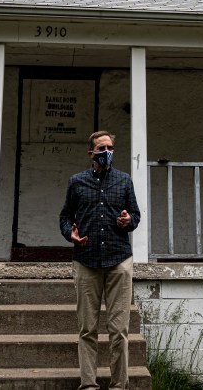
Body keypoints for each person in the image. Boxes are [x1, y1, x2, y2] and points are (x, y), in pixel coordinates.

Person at [59, 130, 141, 390]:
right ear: (91, 152)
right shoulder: (77, 182)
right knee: (87, 329)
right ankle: (89, 385)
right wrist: (69, 234)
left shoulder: (124, 181)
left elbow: (135, 216)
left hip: (119, 261)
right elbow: (64, 217)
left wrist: (127, 221)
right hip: (86, 261)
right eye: (102, 148)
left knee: (119, 330)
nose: (107, 153)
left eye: (110, 148)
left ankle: (119, 385)